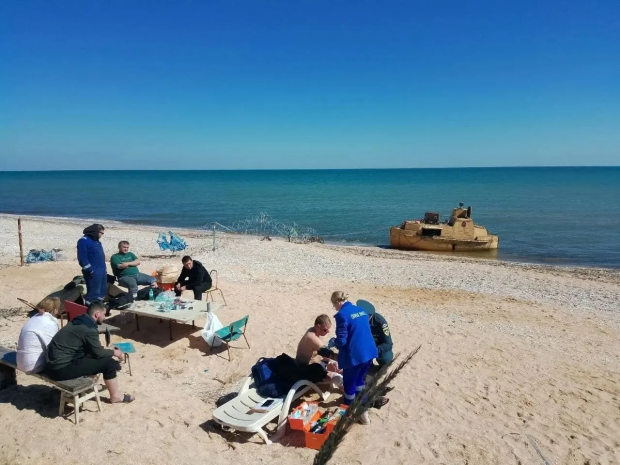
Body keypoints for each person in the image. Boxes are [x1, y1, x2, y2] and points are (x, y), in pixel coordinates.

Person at [46, 302, 134, 403]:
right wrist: (114, 352)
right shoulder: (89, 329)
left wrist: (108, 350)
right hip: (60, 370)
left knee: (96, 357)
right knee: (109, 363)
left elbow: (92, 349)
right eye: (104, 314)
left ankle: (89, 384)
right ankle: (115, 396)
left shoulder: (79, 320)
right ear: (97, 314)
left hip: (52, 366)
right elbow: (98, 353)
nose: (105, 317)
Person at [331, 291, 377, 425]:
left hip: (355, 356)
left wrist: (334, 342)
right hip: (369, 352)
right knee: (360, 381)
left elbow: (342, 340)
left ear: (338, 302)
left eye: (334, 305)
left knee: (349, 385)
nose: (335, 308)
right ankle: (364, 410)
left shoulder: (342, 315)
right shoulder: (361, 310)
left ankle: (349, 413)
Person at [16, 297, 61, 374]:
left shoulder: (34, 318)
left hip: (20, 362)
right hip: (32, 366)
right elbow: (53, 347)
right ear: (55, 309)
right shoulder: (50, 323)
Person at [296, 314, 342, 386]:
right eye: (325, 330)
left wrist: (330, 361)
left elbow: (318, 353)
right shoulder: (311, 337)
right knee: (337, 378)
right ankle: (354, 392)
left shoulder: (315, 331)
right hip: (306, 370)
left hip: (318, 363)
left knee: (340, 368)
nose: (328, 332)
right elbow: (327, 353)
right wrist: (347, 359)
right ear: (318, 326)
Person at [77, 224, 107, 304]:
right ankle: (90, 307)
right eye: (101, 233)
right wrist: (89, 270)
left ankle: (99, 306)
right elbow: (82, 258)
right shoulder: (83, 241)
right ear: (95, 232)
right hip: (93, 272)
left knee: (102, 291)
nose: (102, 235)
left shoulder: (96, 241)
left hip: (101, 271)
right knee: (93, 293)